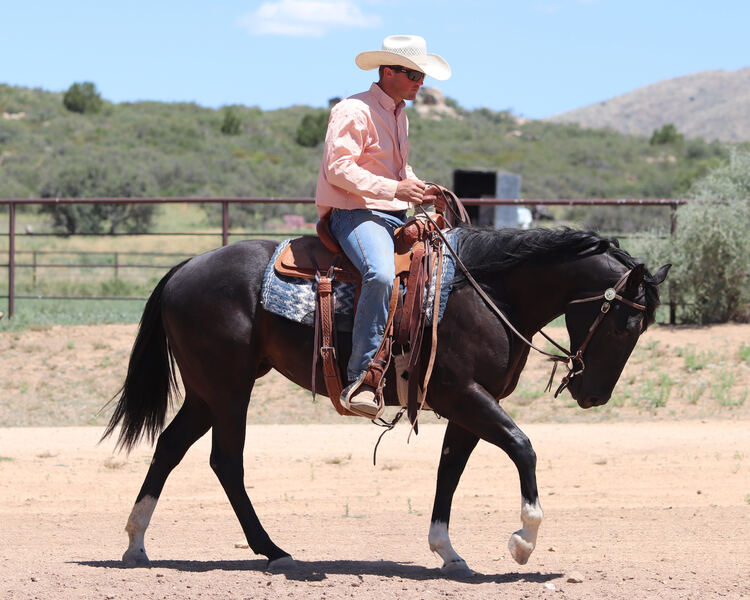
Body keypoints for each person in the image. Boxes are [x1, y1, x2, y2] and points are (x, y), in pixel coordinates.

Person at [315, 34, 451, 418]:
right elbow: (339, 169)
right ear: (387, 71)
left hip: (391, 212)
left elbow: (397, 170)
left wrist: (422, 189)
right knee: (379, 273)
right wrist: (397, 188)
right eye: (412, 74)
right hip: (354, 213)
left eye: (422, 75)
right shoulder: (352, 110)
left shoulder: (397, 114)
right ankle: (362, 378)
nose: (419, 82)